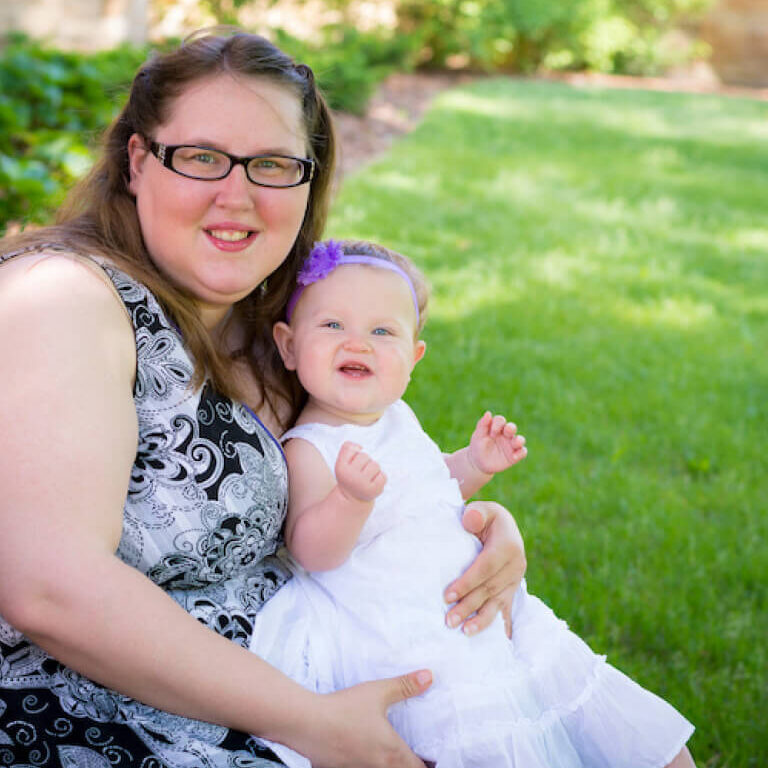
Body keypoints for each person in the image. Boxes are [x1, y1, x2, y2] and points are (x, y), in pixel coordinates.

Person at [0, 30, 529, 768]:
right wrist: (313, 723)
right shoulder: (63, 299)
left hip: (307, 681)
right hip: (99, 720)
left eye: (274, 164)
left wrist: (479, 527)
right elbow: (50, 588)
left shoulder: (279, 333)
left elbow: (357, 486)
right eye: (203, 157)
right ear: (137, 162)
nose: (238, 193)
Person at [249, 238, 697, 768]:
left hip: (481, 612)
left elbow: (428, 488)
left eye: (382, 331)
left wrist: (474, 463)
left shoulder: (397, 420)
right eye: (332, 326)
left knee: (622, 735)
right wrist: (349, 499)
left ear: (412, 358)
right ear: (289, 345)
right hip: (406, 631)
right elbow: (313, 550)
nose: (359, 344)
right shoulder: (311, 448)